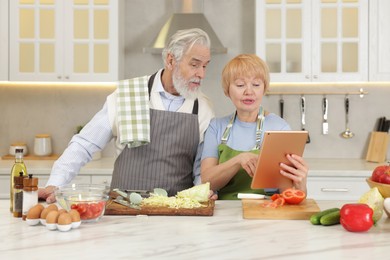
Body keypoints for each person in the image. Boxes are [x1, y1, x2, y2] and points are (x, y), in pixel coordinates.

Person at [39, 28, 215, 203]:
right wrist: (56, 183)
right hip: (123, 209)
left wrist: (203, 191)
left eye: (205, 66)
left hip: (176, 213)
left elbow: (201, 168)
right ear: (170, 60)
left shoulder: (203, 108)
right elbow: (84, 144)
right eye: (194, 65)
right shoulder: (130, 94)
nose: (201, 74)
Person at [200, 54, 308, 200]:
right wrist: (239, 160)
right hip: (225, 210)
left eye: (256, 85)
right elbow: (207, 182)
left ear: (264, 89)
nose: (249, 91)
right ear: (227, 90)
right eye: (240, 85)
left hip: (266, 209)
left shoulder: (280, 128)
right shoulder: (216, 126)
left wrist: (300, 184)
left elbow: (288, 192)